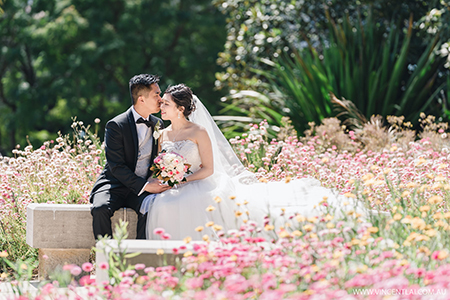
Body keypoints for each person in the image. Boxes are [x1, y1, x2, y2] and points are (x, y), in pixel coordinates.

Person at [142, 84, 365, 241]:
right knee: (162, 204)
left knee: (190, 202)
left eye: (166, 105)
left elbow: (208, 169)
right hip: (174, 186)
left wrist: (184, 179)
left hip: (198, 183)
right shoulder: (162, 134)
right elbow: (161, 165)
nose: (161, 108)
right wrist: (164, 180)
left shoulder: (198, 132)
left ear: (180, 109)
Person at [90, 74, 171, 240]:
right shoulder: (116, 125)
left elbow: (158, 158)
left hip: (143, 188)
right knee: (100, 209)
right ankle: (107, 257)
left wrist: (155, 178)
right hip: (114, 185)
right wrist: (146, 186)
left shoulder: (158, 124)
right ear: (141, 99)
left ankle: (141, 258)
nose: (161, 99)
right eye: (156, 94)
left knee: (153, 209)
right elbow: (116, 166)